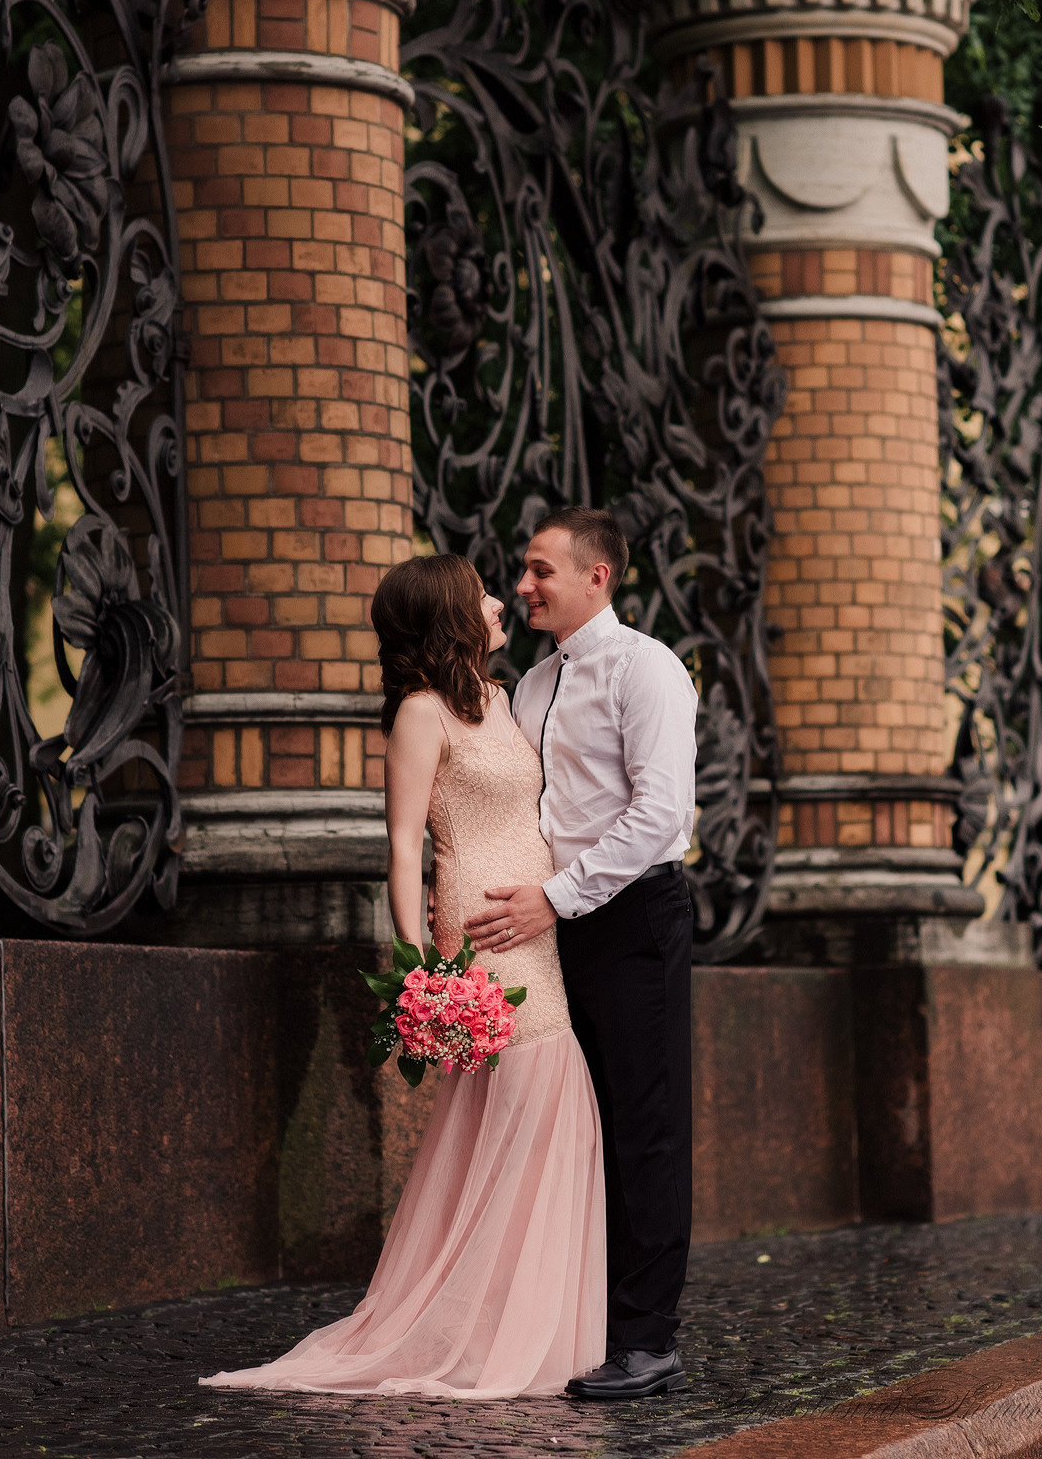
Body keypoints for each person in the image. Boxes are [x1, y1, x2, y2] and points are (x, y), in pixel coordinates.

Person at [201, 553, 605, 1400]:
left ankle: (516, 1320)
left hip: (533, 917)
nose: (501, 600)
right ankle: (490, 1327)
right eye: (482, 593)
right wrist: (425, 964)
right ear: (451, 614)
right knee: (537, 1086)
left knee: (531, 1106)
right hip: (480, 925)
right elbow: (403, 846)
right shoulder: (421, 714)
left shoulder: (502, 699)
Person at [464, 507, 698, 1401]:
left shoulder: (649, 670)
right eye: (523, 573)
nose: (523, 585)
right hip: (553, 926)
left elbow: (660, 815)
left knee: (646, 1129)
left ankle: (650, 1340)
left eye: (539, 570)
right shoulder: (530, 684)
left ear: (597, 577)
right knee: (583, 1128)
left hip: (634, 918)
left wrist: (553, 899)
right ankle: (589, 1323)